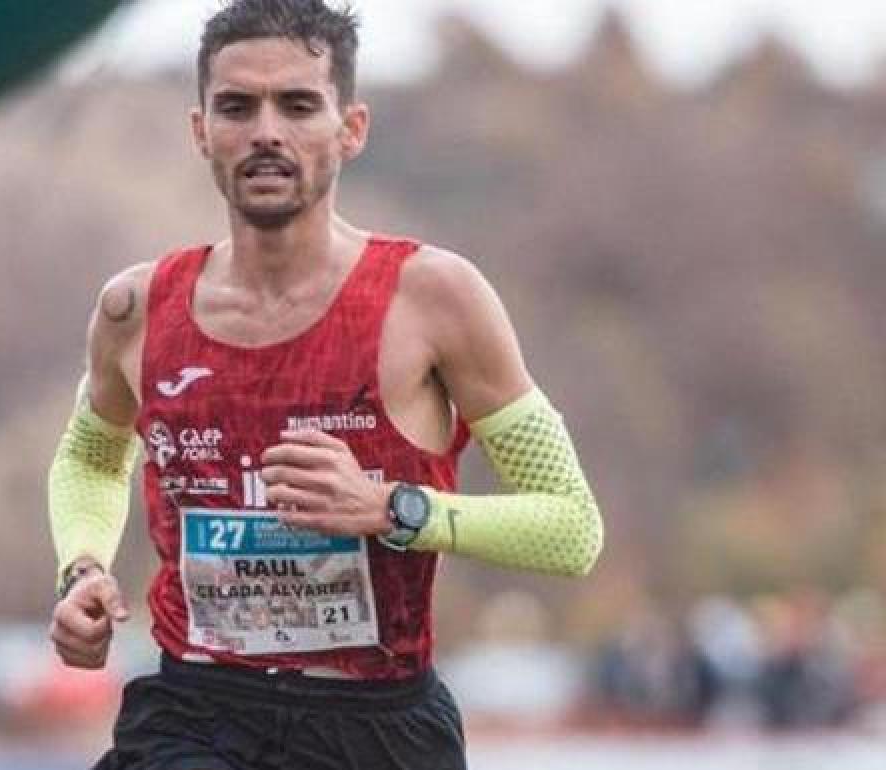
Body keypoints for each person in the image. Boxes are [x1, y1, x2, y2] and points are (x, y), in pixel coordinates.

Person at [46, 2, 604, 768]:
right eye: (237, 107)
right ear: (201, 131)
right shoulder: (137, 310)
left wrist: (393, 509)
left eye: (298, 105)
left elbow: (572, 526)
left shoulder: (435, 297)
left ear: (352, 128)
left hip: (375, 724)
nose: (266, 131)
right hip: (193, 714)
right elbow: (91, 456)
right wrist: (82, 568)